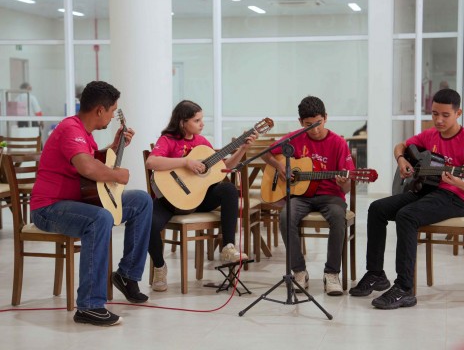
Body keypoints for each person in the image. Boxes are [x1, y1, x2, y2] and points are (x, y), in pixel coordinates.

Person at [30, 81, 152, 326]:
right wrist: (119, 175)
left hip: (77, 203)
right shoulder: (70, 128)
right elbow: (87, 167)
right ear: (99, 110)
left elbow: (93, 163)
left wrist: (116, 145)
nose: (111, 117)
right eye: (111, 111)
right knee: (100, 218)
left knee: (141, 200)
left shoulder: (85, 136)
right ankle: (89, 306)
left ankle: (127, 275)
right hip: (48, 209)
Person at [349, 88, 464, 309]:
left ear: (458, 113)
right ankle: (376, 274)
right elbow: (400, 146)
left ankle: (404, 288)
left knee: (407, 216)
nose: (438, 120)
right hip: (426, 191)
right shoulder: (429, 135)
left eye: (445, 115)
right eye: (434, 114)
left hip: (455, 198)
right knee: (376, 208)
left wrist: (455, 181)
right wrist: (402, 160)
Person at [146, 99, 257, 292]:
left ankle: (228, 247)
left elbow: (225, 168)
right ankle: (159, 266)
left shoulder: (202, 143)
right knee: (148, 223)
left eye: (201, 119)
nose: (202, 124)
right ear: (182, 122)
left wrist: (243, 149)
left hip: (198, 199)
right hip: (170, 201)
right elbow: (152, 162)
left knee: (229, 189)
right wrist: (185, 162)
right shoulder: (168, 140)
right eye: (197, 120)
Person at [261, 95, 354, 296]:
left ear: (326, 118)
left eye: (318, 123)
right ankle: (299, 271)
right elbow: (266, 153)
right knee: (286, 217)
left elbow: (346, 189)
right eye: (309, 124)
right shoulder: (295, 137)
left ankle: (331, 274)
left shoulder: (338, 143)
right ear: (300, 122)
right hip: (301, 196)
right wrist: (280, 166)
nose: (315, 129)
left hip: (331, 196)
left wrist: (344, 182)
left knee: (338, 218)